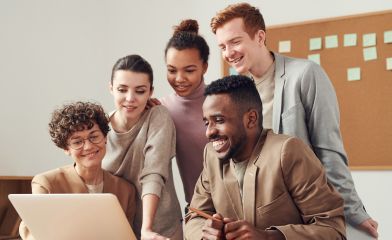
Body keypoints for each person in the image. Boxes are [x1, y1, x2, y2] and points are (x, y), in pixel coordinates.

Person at [210, 2, 378, 238]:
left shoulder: (305, 75)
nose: (228, 53)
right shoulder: (234, 94)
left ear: (259, 37)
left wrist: (354, 212)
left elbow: (328, 150)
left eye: (235, 42)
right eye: (222, 47)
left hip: (306, 213)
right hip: (259, 219)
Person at [185, 75, 346, 240]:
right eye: (206, 123)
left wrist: (269, 237)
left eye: (219, 120)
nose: (209, 132)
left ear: (251, 119)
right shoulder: (211, 155)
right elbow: (194, 216)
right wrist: (206, 233)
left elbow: (333, 230)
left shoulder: (288, 152)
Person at [19, 101, 136, 240]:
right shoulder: (46, 183)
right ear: (66, 149)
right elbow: (32, 231)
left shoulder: (126, 190)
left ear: (105, 138)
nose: (88, 147)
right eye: (77, 142)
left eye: (94, 136)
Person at [102, 54, 182, 240]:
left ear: (150, 92)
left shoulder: (158, 116)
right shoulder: (100, 127)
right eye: (122, 90)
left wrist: (147, 230)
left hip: (160, 228)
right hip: (118, 228)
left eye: (140, 91)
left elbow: (153, 172)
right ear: (111, 88)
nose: (130, 99)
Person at [160, 19, 209, 208]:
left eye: (189, 70)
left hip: (241, 207)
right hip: (199, 211)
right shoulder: (161, 109)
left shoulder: (223, 100)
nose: (179, 79)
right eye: (172, 70)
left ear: (204, 67)